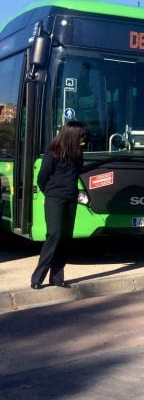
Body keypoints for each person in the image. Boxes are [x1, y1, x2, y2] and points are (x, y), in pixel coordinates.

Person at [31, 121, 86, 289]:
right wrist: (51, 192)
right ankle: (37, 277)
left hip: (71, 199)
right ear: (72, 136)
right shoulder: (52, 153)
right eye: (81, 136)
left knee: (65, 237)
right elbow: (42, 178)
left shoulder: (77, 154)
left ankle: (57, 278)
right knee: (54, 235)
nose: (83, 139)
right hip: (55, 198)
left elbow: (77, 174)